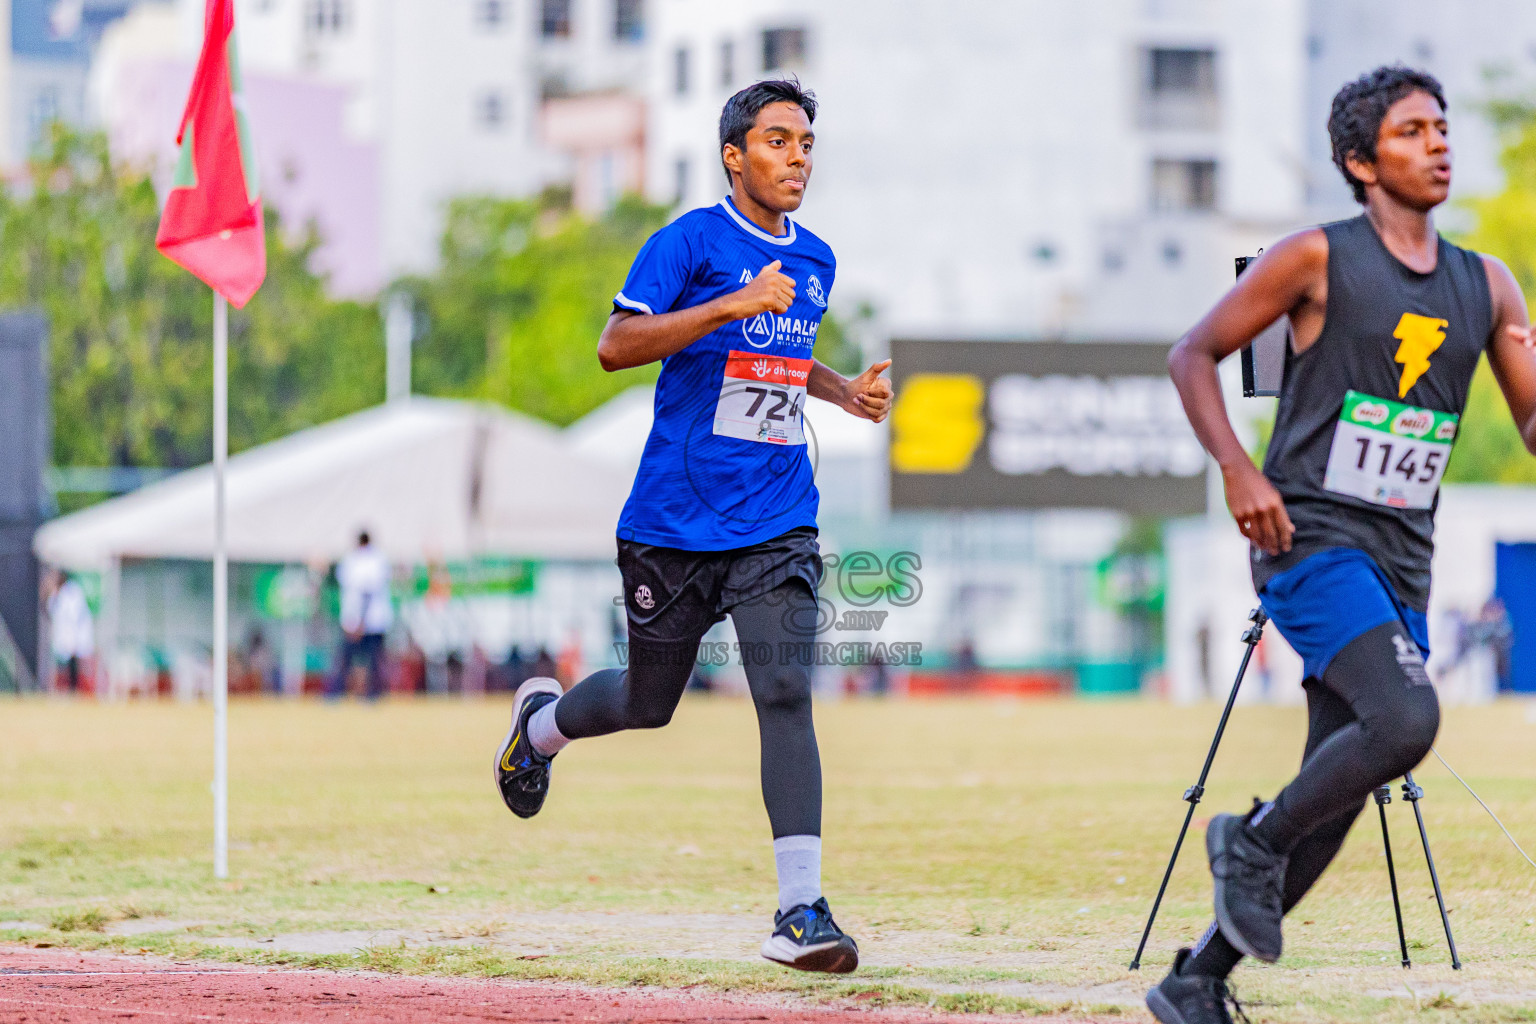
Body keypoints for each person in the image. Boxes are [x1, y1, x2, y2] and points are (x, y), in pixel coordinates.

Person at [1148, 66, 1536, 1024]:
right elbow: (1190, 353)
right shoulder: (1314, 258)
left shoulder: (1488, 284)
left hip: (1403, 558)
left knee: (1344, 787)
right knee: (1407, 724)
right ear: (1363, 161)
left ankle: (1196, 984)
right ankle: (1247, 839)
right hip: (1308, 537)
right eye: (1412, 130)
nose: (1438, 143)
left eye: (1442, 127)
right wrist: (1241, 472)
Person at [493, 78, 893, 975]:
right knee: (649, 702)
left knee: (784, 692)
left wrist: (845, 395)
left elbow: (781, 355)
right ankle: (541, 726)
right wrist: (727, 303)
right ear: (733, 155)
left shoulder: (816, 259)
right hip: (672, 525)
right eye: (779, 142)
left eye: (806, 145)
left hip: (778, 519)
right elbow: (615, 345)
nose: (799, 159)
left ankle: (802, 912)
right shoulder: (687, 242)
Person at [328, 529, 393, 699]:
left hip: (365, 620)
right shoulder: (374, 559)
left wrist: (360, 621)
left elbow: (366, 592)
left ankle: (342, 694)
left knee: (359, 660)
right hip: (363, 619)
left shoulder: (362, 561)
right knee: (367, 660)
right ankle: (352, 693)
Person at [47, 571, 94, 694]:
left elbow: (74, 615)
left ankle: (74, 690)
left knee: (74, 664)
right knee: (62, 664)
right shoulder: (57, 593)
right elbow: (51, 610)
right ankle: (61, 689)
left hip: (74, 634)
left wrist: (75, 636)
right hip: (63, 635)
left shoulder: (73, 591)